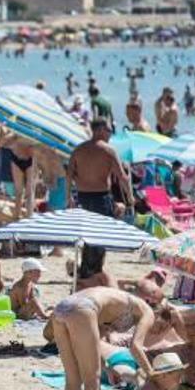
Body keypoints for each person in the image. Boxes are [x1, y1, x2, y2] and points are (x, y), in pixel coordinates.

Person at [50, 287, 156, 390]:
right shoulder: (148, 313)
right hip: (83, 308)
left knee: (72, 379)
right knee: (91, 380)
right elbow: (136, 347)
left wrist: (107, 366)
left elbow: (94, 340)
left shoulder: (117, 301)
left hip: (62, 308)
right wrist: (152, 374)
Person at [68, 119, 132, 284]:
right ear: (100, 130)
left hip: (82, 196)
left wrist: (69, 197)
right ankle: (93, 271)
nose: (111, 134)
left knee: (86, 234)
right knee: (100, 236)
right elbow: (122, 177)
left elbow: (69, 175)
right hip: (101, 197)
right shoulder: (109, 151)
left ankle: (86, 271)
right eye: (109, 130)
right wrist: (130, 197)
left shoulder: (79, 150)